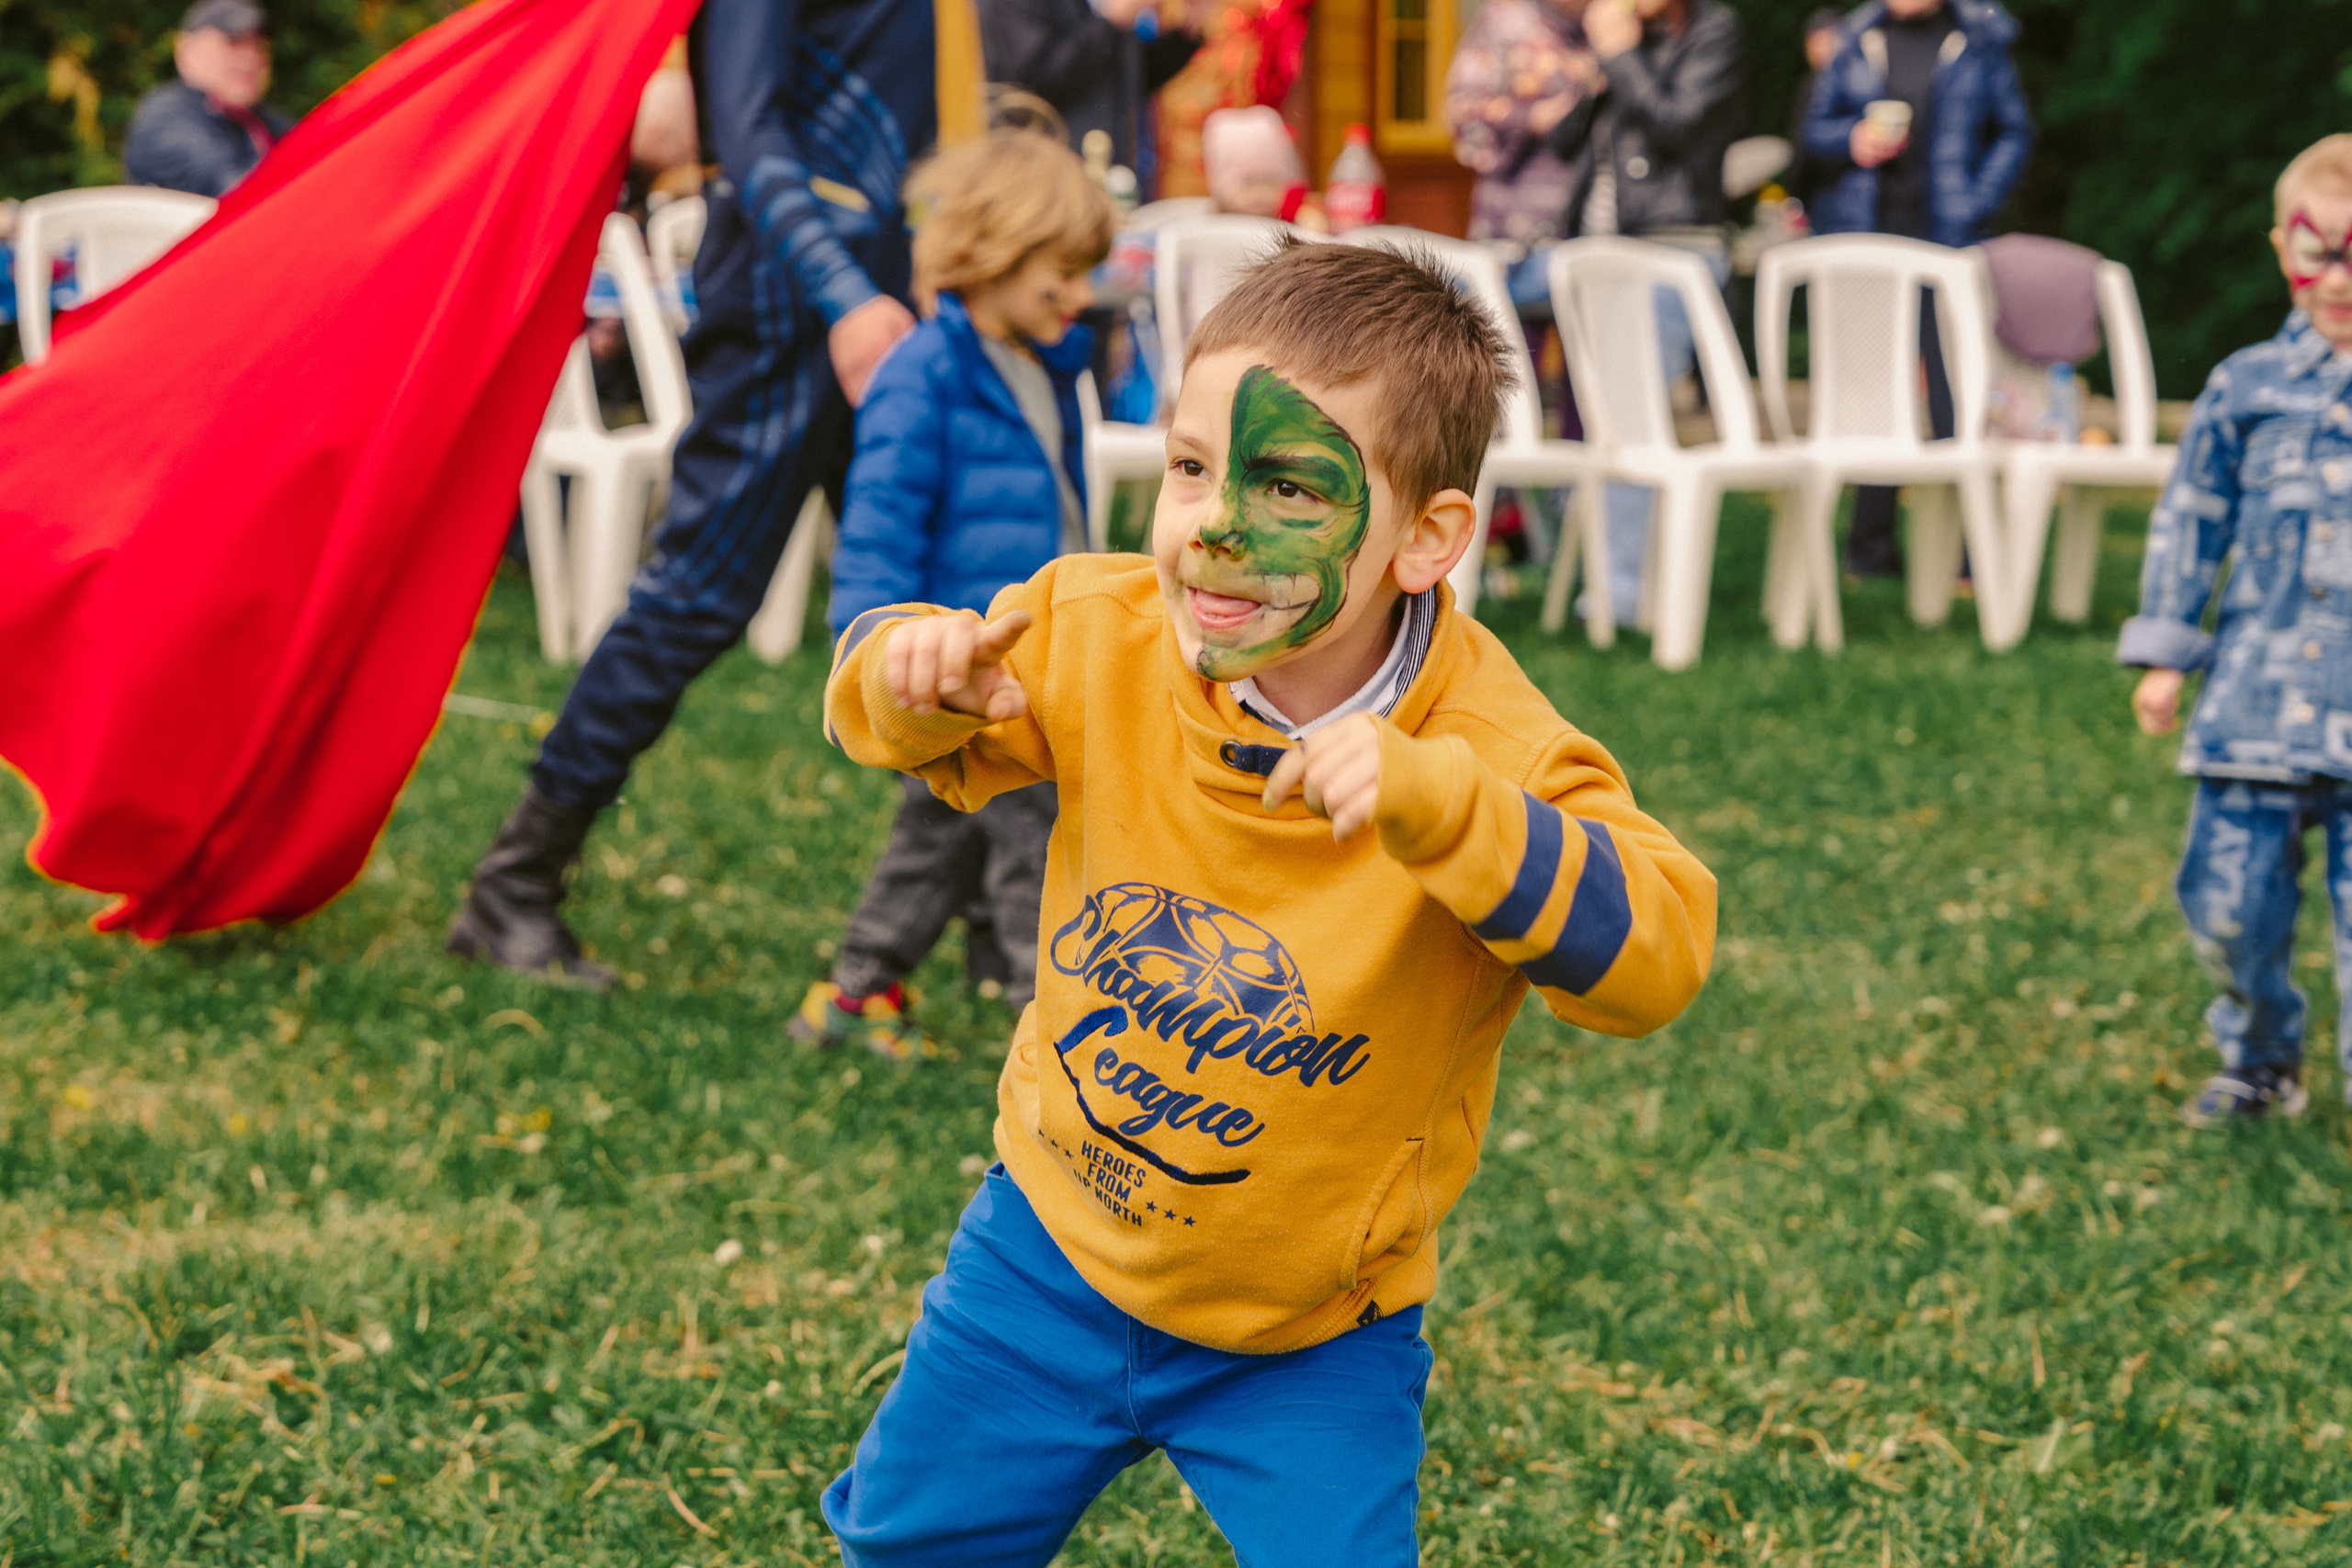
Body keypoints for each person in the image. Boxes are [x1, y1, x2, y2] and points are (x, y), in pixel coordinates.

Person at [815, 241, 1716, 1562]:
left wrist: (1453, 812)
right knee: (905, 1544)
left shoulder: (1492, 751)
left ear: (1426, 535)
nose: (1212, 525)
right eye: (1189, 467)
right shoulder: (1094, 628)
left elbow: (1660, 956)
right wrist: (912, 674)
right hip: (1044, 1254)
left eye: (1287, 482)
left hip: (1312, 1333)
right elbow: (882, 716)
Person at [446, 0, 964, 984]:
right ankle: (515, 883)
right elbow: (750, 135)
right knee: (696, 599)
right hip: (788, 308)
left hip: (892, 304)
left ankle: (989, 913)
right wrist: (843, 294)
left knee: (950, 603)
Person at [792, 130, 1113, 1057]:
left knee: (944, 842)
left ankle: (858, 996)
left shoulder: (1043, 363)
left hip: (1025, 663)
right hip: (956, 675)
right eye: (1063, 276)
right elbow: (879, 529)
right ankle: (1047, 1027)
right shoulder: (923, 376)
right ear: (993, 258)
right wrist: (879, 651)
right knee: (1033, 848)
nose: (1082, 297)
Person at [2121, 134, 2352, 1129]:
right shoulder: (2245, 387)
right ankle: (2261, 1053)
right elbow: (2191, 517)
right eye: (2319, 250)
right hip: (2251, 711)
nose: (2338, 278)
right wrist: (2167, 649)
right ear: (2279, 250)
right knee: (2227, 909)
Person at [1801, 0, 2032, 579]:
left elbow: (2014, 131)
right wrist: (1851, 139)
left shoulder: (1978, 39)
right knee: (1873, 400)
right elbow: (1812, 130)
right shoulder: (1858, 37)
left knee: (1957, 395)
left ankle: (1967, 558)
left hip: (1947, 245)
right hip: (1871, 239)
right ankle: (1872, 554)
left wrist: (1975, 201)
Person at [1547, 0, 1744, 624]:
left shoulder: (1712, 31)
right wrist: (1601, 72)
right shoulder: (1626, 43)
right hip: (1597, 254)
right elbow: (1565, 141)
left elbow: (1677, 124)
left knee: (1633, 427)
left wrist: (1621, 58)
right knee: (1603, 425)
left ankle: (1621, 597)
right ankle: (1605, 579)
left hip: (1669, 254)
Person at [981, 0, 1202, 181]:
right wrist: (1111, 21)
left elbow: (1129, 81)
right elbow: (1034, 82)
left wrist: (1185, 34)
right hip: (1040, 177)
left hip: (1107, 169)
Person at [123, 0, 295, 198]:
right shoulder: (166, 117)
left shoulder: (261, 119)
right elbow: (235, 190)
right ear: (187, 51)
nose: (251, 56)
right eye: (234, 42)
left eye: (258, 45)